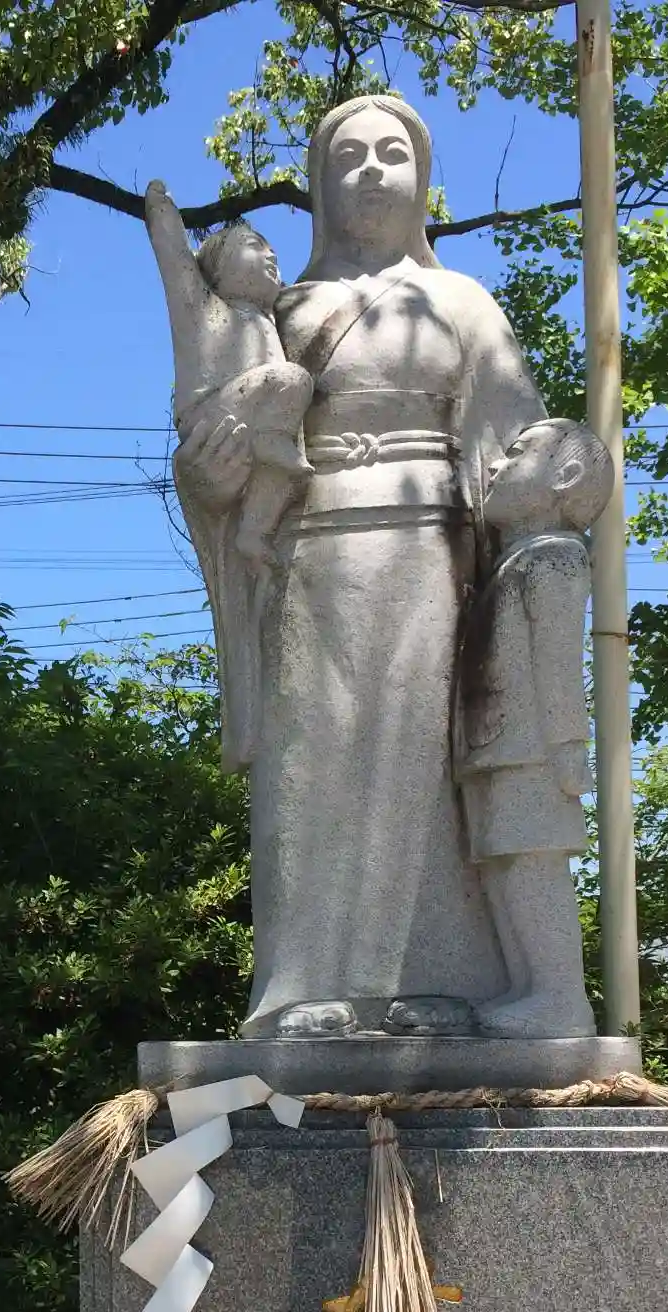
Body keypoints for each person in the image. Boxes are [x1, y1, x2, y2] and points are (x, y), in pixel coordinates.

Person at [172, 95, 549, 1038]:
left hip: (435, 553)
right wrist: (209, 475)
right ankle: (304, 986)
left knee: (427, 764)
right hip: (306, 556)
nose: (373, 170)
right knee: (311, 764)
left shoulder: (462, 303)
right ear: (319, 184)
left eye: (392, 152)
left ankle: (443, 982)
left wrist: (570, 473)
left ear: (423, 177)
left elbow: (520, 445)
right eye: (349, 156)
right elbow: (221, 432)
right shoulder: (278, 312)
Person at [454, 419, 614, 1037]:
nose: (497, 465)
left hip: (531, 749)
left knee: (532, 865)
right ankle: (530, 990)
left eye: (518, 453)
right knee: (503, 865)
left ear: (565, 476)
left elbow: (559, 661)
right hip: (497, 745)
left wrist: (569, 744)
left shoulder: (555, 557)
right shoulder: (517, 560)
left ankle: (560, 998)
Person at [144, 181, 314, 569]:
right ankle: (271, 452)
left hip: (265, 418)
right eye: (255, 247)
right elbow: (176, 263)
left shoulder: (276, 320)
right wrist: (162, 212)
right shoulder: (207, 310)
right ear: (218, 269)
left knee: (284, 469)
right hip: (214, 412)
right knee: (291, 381)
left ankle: (255, 530)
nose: (271, 256)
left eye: (273, 252)